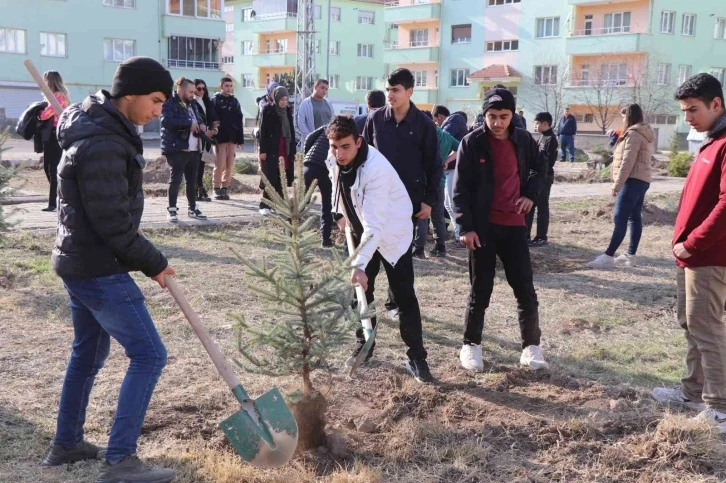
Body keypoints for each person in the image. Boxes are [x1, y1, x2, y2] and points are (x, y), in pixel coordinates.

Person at [44, 56, 176, 483]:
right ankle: (121, 461)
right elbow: (113, 225)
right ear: (130, 94)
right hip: (98, 267)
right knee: (150, 354)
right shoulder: (103, 143)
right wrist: (155, 263)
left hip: (77, 261)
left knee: (88, 353)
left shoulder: (99, 127)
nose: (159, 110)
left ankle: (66, 444)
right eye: (155, 101)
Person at [327, 114, 433, 384]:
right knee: (361, 295)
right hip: (364, 229)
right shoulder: (336, 156)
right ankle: (364, 346)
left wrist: (359, 264)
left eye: (345, 147)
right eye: (334, 147)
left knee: (403, 296)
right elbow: (335, 185)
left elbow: (376, 226)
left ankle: (417, 358)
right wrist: (339, 213)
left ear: (359, 142)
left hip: (391, 233)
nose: (339, 153)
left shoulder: (375, 169)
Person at [453, 87, 548, 373]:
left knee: (524, 288)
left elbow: (539, 168)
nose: (497, 123)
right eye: (492, 116)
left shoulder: (523, 140)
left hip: (515, 227)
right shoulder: (471, 143)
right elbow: (460, 189)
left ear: (512, 116)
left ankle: (531, 347)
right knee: (480, 289)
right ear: (484, 115)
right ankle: (471, 345)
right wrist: (465, 226)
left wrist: (530, 193)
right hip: (482, 229)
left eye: (503, 116)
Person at [651, 73, 726, 432]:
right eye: (683, 110)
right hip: (689, 255)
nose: (687, 118)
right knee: (691, 324)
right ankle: (692, 393)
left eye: (693, 109)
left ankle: (720, 408)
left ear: (716, 103)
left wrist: (693, 242)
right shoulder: (709, 143)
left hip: (709, 256)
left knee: (706, 327)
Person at [362, 67, 441, 260]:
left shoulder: (424, 124)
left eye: (395, 90)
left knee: (400, 259)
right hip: (376, 196)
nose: (390, 95)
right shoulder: (375, 119)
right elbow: (363, 157)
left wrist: (428, 201)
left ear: (409, 92)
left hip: (408, 199)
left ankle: (396, 291)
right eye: (388, 89)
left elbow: (433, 164)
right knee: (370, 255)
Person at [587, 104, 653, 269]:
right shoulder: (641, 133)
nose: (622, 120)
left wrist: (617, 185)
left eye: (624, 117)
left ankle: (608, 256)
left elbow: (627, 162)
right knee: (634, 217)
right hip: (642, 180)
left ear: (629, 117)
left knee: (620, 217)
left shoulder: (633, 135)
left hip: (632, 180)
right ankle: (631, 255)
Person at [160, 77, 207, 222]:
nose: (193, 94)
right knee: (176, 180)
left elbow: (198, 119)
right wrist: (188, 124)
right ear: (181, 90)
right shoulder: (169, 102)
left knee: (192, 181)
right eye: (191, 91)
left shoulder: (192, 104)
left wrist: (202, 125)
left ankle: (192, 208)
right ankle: (172, 210)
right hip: (177, 147)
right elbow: (166, 121)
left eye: (194, 91)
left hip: (194, 148)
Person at [415, 110, 459, 258]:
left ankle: (419, 249)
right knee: (438, 216)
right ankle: (441, 248)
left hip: (423, 182)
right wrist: (447, 160)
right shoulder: (445, 136)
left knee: (421, 215)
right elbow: (461, 147)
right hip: (439, 181)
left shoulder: (421, 136)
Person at [432, 105, 467, 246]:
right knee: (448, 204)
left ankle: (460, 235)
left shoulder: (454, 120)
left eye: (435, 121)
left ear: (439, 116)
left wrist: (445, 160)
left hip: (455, 170)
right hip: (451, 169)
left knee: (453, 203)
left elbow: (443, 140)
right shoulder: (454, 121)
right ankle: (458, 235)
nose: (436, 124)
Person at [258, 86, 295, 215]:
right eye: (282, 99)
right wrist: (263, 150)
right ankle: (264, 205)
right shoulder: (268, 110)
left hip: (285, 148)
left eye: (286, 99)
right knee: (270, 177)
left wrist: (293, 150)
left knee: (282, 177)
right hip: (272, 148)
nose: (284, 102)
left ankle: (278, 205)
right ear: (276, 98)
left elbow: (292, 131)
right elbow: (263, 131)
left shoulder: (287, 111)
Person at [38, 71, 70, 212]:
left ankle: (54, 203)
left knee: (53, 168)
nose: (43, 83)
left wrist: (37, 113)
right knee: (47, 167)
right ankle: (60, 196)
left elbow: (45, 114)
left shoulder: (59, 96)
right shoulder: (51, 96)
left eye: (46, 80)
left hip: (55, 134)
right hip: (49, 135)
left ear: (51, 81)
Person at [526, 112, 559, 247]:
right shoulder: (542, 137)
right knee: (530, 206)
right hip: (536, 176)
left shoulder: (551, 139)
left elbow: (549, 161)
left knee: (542, 207)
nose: (535, 125)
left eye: (537, 123)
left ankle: (541, 237)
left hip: (544, 177)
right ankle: (525, 235)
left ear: (545, 123)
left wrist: (540, 172)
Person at [211, 76, 244, 200]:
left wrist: (240, 140)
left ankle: (225, 188)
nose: (229, 88)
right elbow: (211, 117)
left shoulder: (235, 102)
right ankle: (216, 188)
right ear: (221, 87)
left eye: (231, 86)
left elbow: (239, 120)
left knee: (230, 164)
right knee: (220, 164)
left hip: (232, 138)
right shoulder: (215, 100)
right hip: (219, 138)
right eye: (226, 86)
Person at [303, 123, 334, 247]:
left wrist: (307, 156)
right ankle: (325, 240)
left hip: (309, 165)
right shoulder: (345, 132)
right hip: (326, 169)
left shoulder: (325, 127)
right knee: (327, 204)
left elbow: (308, 138)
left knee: (300, 202)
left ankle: (290, 233)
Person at [193, 79, 219, 202]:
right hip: (197, 137)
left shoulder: (206, 101)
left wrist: (213, 128)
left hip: (206, 138)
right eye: (199, 88)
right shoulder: (192, 102)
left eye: (204, 88)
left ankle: (200, 188)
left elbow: (212, 118)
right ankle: (196, 190)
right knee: (195, 165)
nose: (202, 91)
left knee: (202, 165)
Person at [297, 79, 334, 145]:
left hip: (328, 141)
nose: (324, 91)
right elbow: (301, 123)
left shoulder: (328, 103)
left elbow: (333, 120)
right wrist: (310, 137)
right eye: (322, 88)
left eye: (326, 89)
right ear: (316, 87)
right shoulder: (305, 103)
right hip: (313, 142)